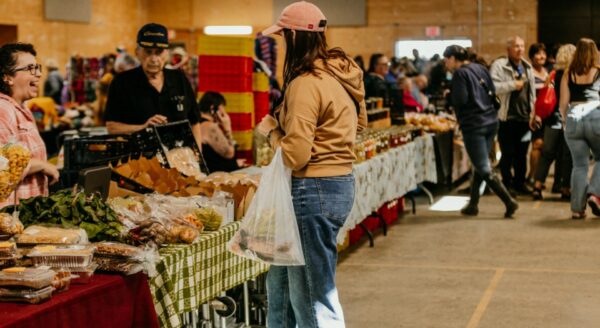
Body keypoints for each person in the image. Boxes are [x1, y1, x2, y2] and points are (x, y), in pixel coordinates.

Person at [256, 1, 367, 326]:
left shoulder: (307, 81)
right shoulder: (342, 73)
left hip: (312, 191)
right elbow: (359, 125)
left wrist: (272, 131)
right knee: (282, 286)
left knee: (312, 297)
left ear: (293, 36)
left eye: (283, 37)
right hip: (338, 184)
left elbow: (296, 155)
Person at [444, 45, 518, 218]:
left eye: (447, 60)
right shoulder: (481, 68)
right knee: (480, 162)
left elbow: (461, 100)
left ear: (454, 59)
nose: (446, 64)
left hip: (473, 124)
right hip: (491, 120)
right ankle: (473, 204)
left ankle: (508, 201)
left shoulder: (460, 74)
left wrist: (449, 96)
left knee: (483, 166)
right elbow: (492, 90)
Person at [104, 23, 202, 147]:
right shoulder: (121, 82)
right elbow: (111, 127)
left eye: (159, 52)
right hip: (139, 161)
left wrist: (198, 158)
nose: (154, 59)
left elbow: (194, 122)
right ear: (137, 52)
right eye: (148, 52)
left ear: (166, 53)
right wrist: (143, 127)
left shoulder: (179, 79)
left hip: (179, 159)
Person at [0, 43, 59, 207]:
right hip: (10, 218)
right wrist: (40, 165)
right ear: (8, 77)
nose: (39, 74)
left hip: (25, 216)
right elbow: (2, 169)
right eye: (30, 68)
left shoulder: (22, 109)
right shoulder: (3, 110)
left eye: (38, 67)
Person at [490, 36, 537, 195]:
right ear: (508, 49)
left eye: (522, 46)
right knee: (507, 153)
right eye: (516, 46)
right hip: (506, 119)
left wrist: (534, 113)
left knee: (522, 154)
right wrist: (512, 85)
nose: (520, 49)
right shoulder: (499, 65)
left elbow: (532, 94)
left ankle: (520, 183)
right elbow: (492, 87)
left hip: (524, 119)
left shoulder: (527, 67)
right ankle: (506, 184)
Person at [559, 38, 600, 219]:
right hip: (595, 114)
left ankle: (577, 208)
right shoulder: (598, 71)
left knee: (579, 165)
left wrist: (565, 121)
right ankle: (594, 194)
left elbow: (563, 104)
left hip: (574, 116)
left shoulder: (569, 73)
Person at [532, 44, 575, 201]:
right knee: (566, 155)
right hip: (568, 118)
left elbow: (543, 96)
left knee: (546, 154)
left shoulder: (553, 74)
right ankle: (565, 188)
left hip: (551, 119)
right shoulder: (574, 75)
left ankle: (537, 186)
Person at [197, 92, 239, 173]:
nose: (224, 111)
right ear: (213, 108)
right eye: (222, 107)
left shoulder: (198, 124)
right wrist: (228, 129)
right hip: (219, 175)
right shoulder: (210, 127)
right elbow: (229, 153)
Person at [527, 43, 548, 186]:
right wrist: (533, 114)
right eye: (538, 54)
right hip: (535, 113)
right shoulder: (529, 72)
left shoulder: (546, 71)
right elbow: (530, 96)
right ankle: (532, 176)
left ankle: (535, 177)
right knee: (537, 145)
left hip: (546, 114)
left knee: (543, 147)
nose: (542, 56)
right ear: (532, 56)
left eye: (543, 54)